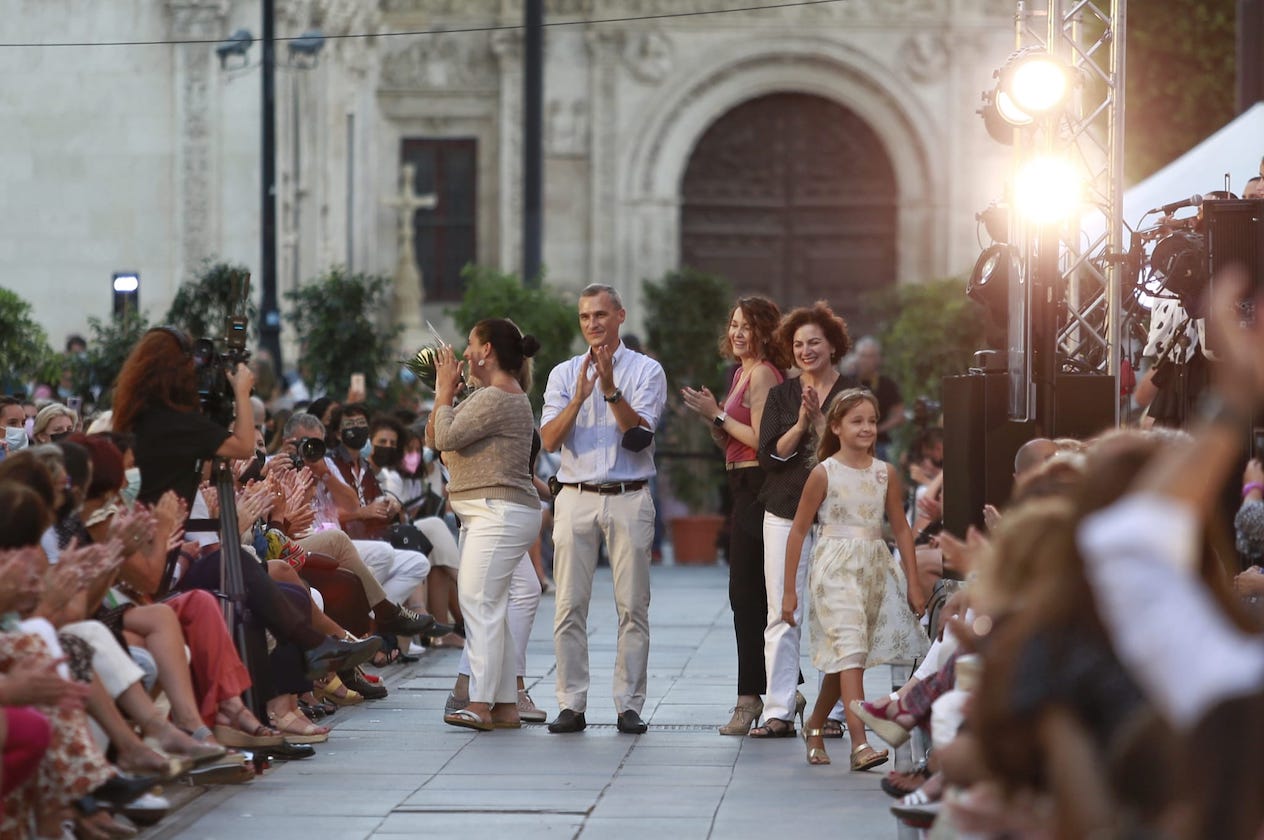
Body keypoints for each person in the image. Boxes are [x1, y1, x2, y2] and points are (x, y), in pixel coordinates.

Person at [111, 327, 380, 679]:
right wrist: (240, 391)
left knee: (264, 592)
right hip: (166, 555)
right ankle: (319, 646)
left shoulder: (141, 417)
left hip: (165, 546)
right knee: (241, 566)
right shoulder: (174, 423)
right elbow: (241, 447)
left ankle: (315, 652)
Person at [540, 284, 667, 734]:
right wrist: (579, 397)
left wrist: (610, 390)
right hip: (575, 494)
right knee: (568, 605)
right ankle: (571, 703)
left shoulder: (647, 370)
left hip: (629, 494)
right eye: (585, 316)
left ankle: (628, 704)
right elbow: (549, 440)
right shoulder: (563, 373)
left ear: (620, 316)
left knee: (632, 606)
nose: (592, 324)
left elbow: (639, 436)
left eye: (600, 315)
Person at [781, 388, 928, 769]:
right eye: (857, 421)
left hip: (872, 570)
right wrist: (788, 593)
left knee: (849, 655)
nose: (867, 428)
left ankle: (815, 726)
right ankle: (860, 744)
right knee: (850, 651)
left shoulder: (885, 473)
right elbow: (798, 531)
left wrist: (913, 583)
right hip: (833, 569)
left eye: (872, 421)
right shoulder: (823, 473)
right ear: (836, 427)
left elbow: (902, 528)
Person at [427, 319, 542, 731]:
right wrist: (444, 395)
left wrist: (444, 392)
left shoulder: (497, 396)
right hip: (490, 513)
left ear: (487, 350)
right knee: (491, 607)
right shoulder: (492, 395)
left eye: (471, 345)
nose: (464, 354)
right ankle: (506, 705)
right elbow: (437, 436)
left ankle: (479, 703)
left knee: (479, 605)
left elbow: (445, 438)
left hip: (498, 512)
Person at [681, 296, 789, 735]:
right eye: (734, 324)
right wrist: (715, 418)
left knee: (747, 595)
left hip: (757, 487)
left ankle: (750, 698)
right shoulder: (741, 373)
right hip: (740, 485)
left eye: (747, 326)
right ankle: (786, 689)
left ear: (765, 331)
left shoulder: (762, 373)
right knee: (752, 595)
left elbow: (762, 442)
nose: (738, 333)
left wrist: (718, 415)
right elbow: (731, 437)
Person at [751, 301, 852, 738]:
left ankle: (832, 714)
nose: (806, 351)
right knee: (781, 611)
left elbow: (858, 449)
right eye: (798, 345)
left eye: (814, 342)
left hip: (837, 516)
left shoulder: (851, 393)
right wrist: (801, 422)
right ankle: (779, 710)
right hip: (785, 512)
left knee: (836, 612)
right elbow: (768, 456)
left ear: (832, 346)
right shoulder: (781, 395)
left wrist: (823, 421)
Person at [845, 337, 904, 460]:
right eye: (863, 356)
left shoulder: (887, 384)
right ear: (856, 357)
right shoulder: (846, 382)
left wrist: (878, 429)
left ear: (878, 359)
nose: (866, 360)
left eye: (870, 356)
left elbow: (899, 416)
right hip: (850, 440)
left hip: (879, 442)